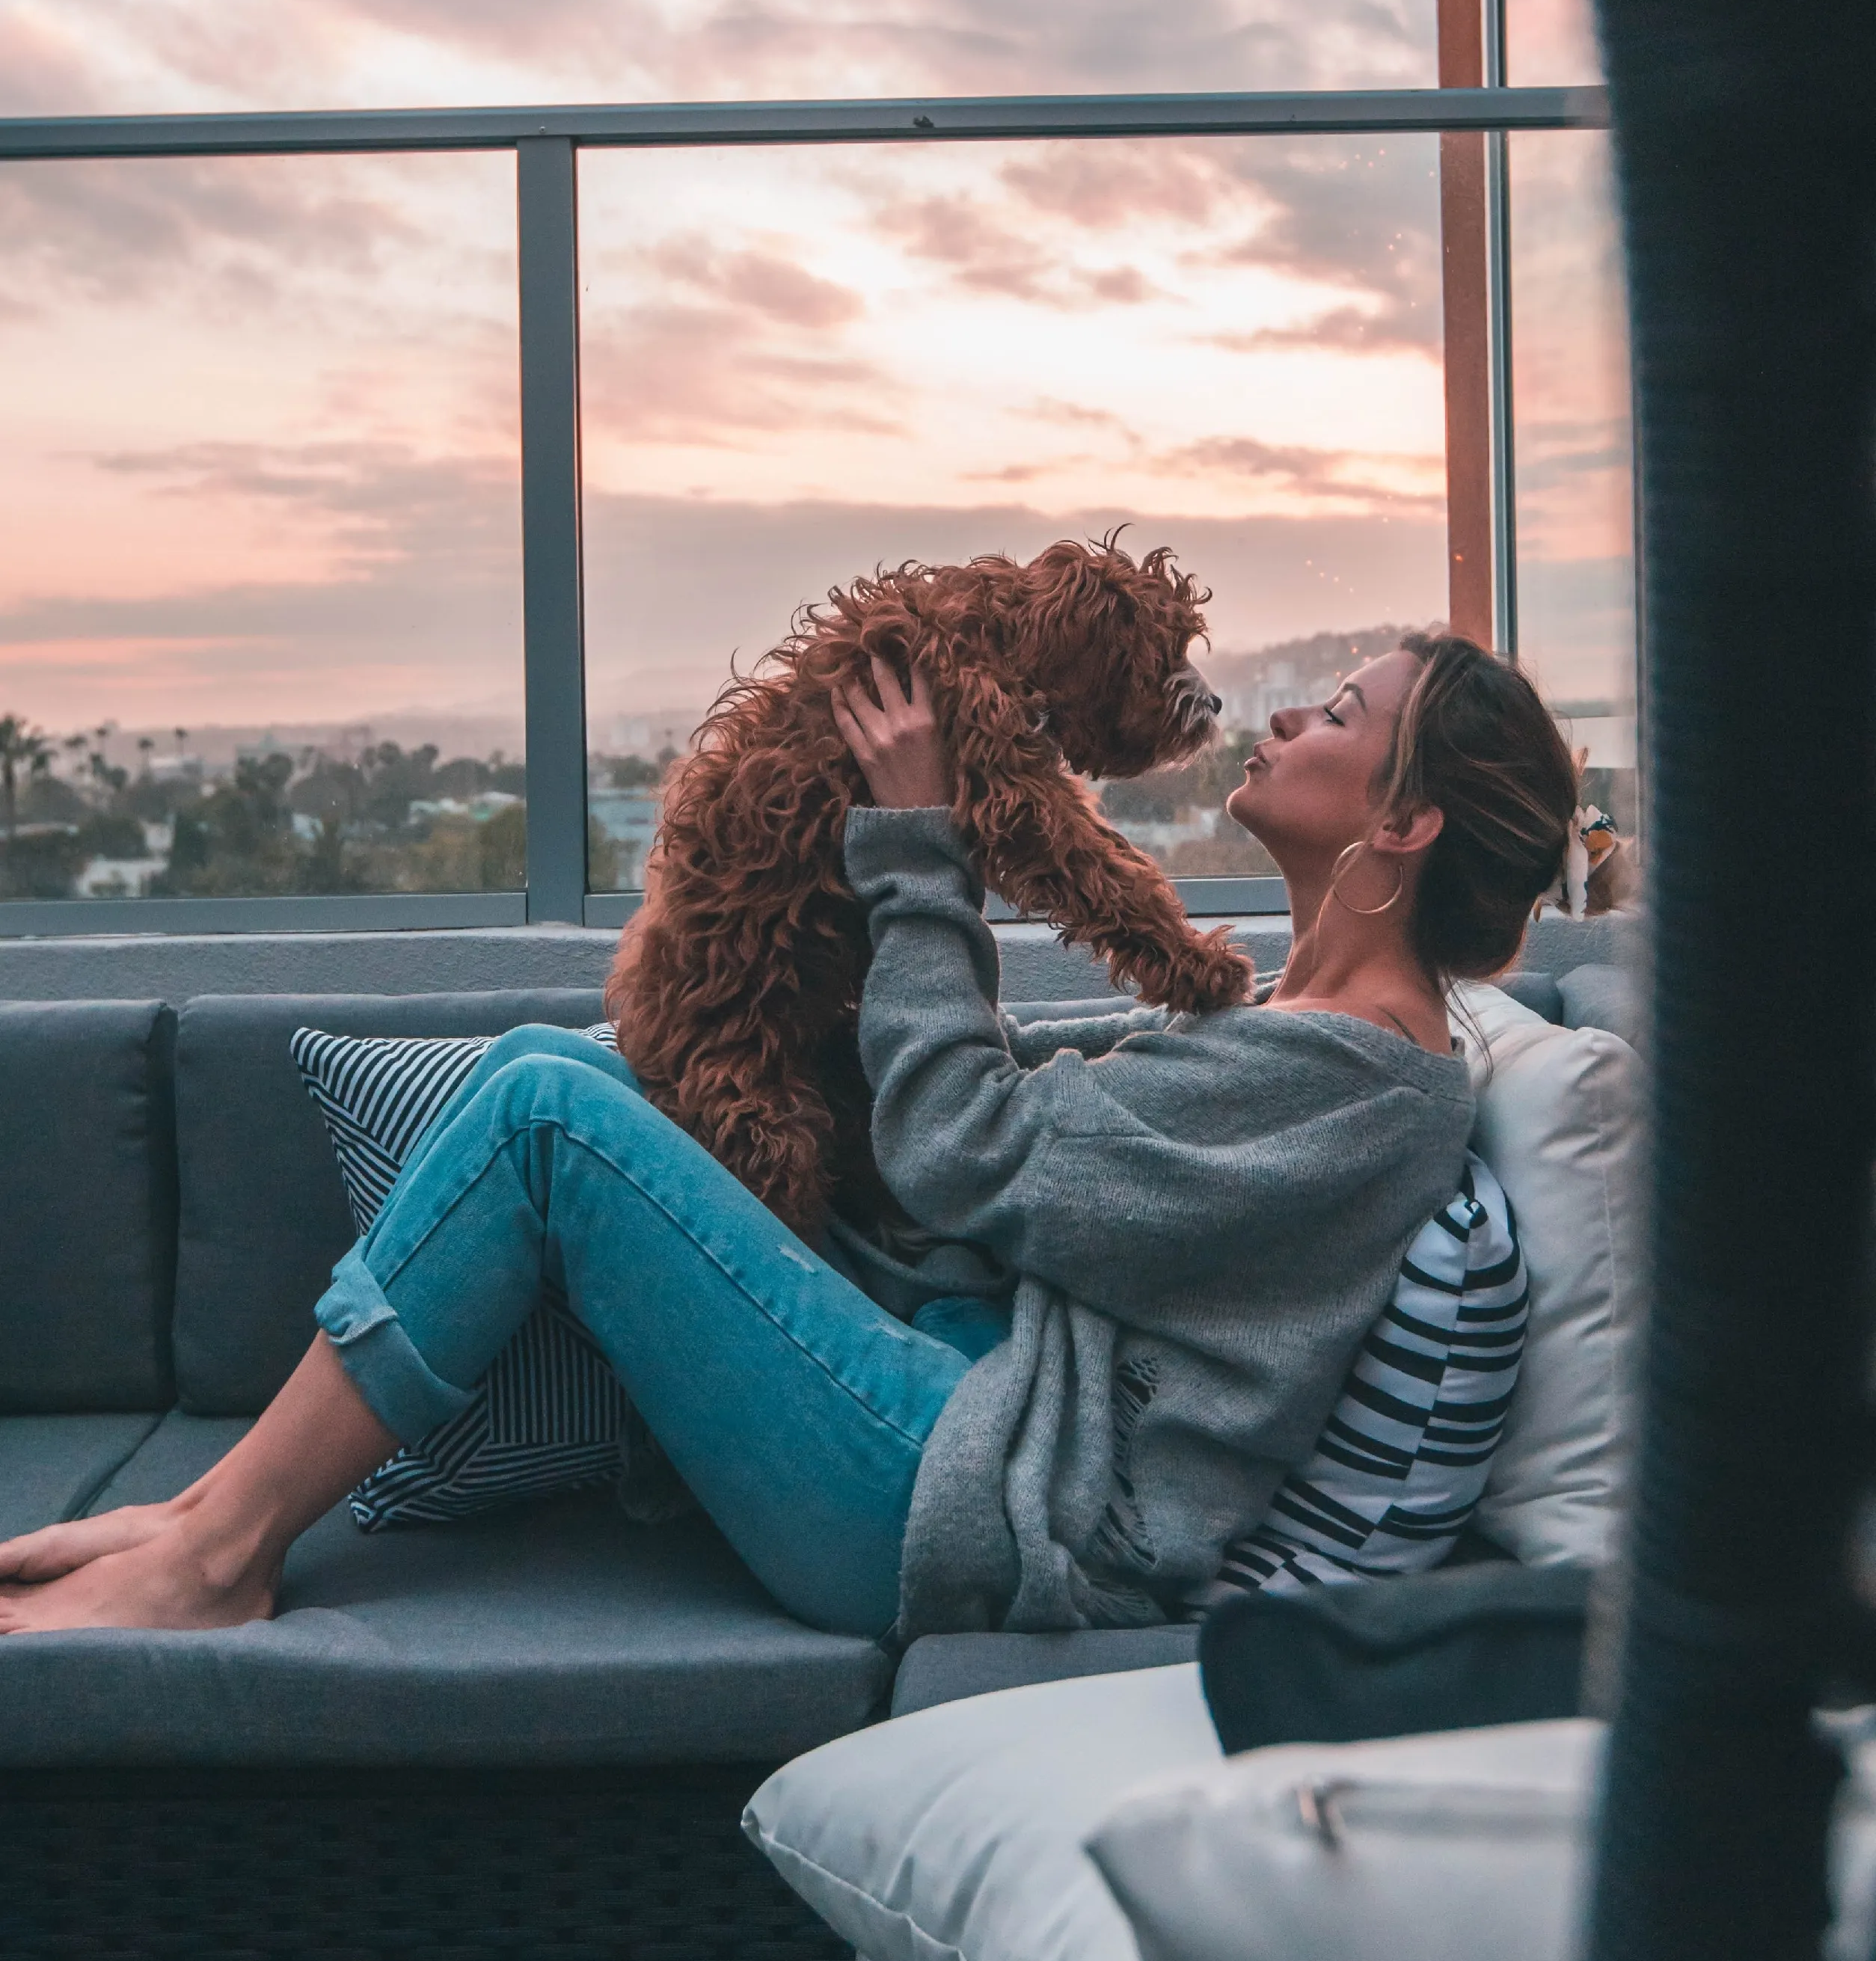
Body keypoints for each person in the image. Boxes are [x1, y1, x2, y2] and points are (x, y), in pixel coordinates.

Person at [0, 629, 1575, 1645]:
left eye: (1343, 710)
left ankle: (218, 1555)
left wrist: (915, 844)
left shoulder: (1361, 1087)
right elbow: (1038, 1150)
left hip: (948, 1497)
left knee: (547, 1119)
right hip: (951, 1376)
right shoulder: (1304, 1036)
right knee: (568, 1060)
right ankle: (212, 1515)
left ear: (1405, 821)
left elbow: (973, 1154)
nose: (1288, 707)